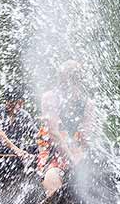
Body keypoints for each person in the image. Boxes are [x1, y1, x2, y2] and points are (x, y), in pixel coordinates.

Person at [36, 60, 97, 196]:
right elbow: (54, 133)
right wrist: (71, 161)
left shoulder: (88, 103)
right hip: (52, 153)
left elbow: (85, 138)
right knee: (54, 187)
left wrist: (83, 160)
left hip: (77, 153)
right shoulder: (50, 98)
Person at [0, 84, 38, 187]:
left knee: (36, 147)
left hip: (15, 151)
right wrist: (17, 150)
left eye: (12, 103)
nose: (9, 105)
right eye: (7, 101)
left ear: (21, 103)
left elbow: (36, 135)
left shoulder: (24, 116)